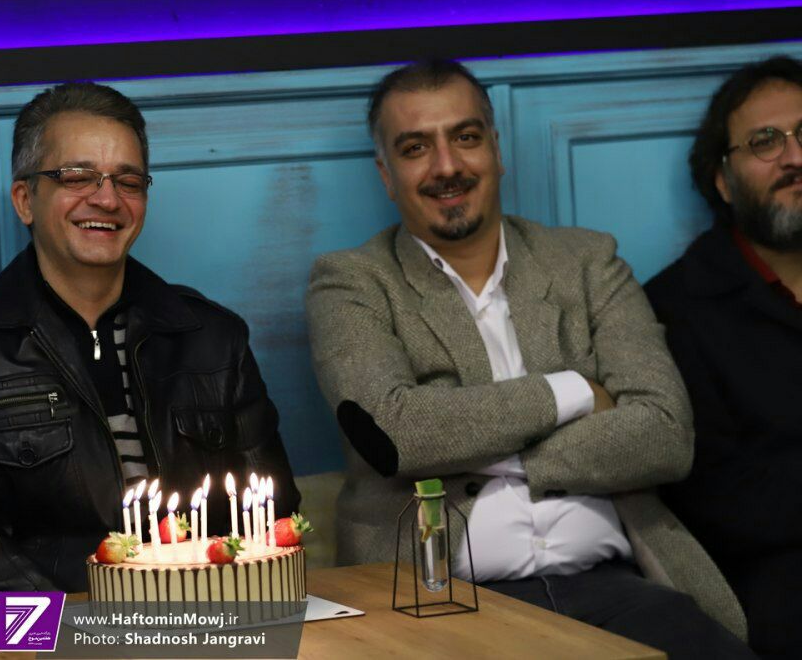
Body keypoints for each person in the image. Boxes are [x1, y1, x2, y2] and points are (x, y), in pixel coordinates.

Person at [306, 59, 751, 657]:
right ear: (386, 174)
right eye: (415, 148)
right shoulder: (351, 283)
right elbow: (396, 434)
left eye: (466, 137)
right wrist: (574, 392)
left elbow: (666, 434)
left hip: (620, 588)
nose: (446, 166)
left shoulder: (588, 262)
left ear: (496, 149)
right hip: (441, 603)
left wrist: (467, 443)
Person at [0, 81, 300, 599]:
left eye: (128, 181)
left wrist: (216, 615)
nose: (108, 198)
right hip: (50, 630)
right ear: (25, 199)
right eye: (77, 176)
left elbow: (272, 512)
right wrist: (78, 630)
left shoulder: (213, 337)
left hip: (208, 616)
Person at [646, 55, 802, 658]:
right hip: (775, 581)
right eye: (766, 141)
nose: (794, 157)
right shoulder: (675, 308)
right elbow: (713, 497)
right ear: (722, 180)